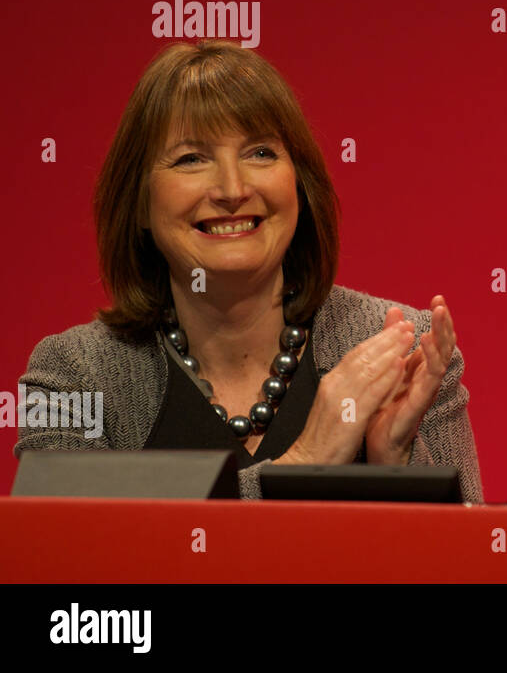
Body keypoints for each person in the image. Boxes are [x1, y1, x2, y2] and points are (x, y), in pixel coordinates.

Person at [15, 40, 483, 502]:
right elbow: (75, 561)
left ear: (299, 184)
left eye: (260, 153)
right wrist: (304, 464)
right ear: (139, 203)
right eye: (191, 158)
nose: (232, 188)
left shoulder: (408, 349)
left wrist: (395, 464)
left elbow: (472, 570)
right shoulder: (74, 376)